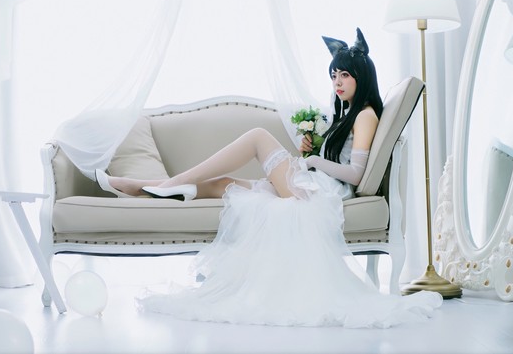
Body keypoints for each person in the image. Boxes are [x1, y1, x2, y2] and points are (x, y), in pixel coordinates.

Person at [96, 28, 443, 328]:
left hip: (321, 193)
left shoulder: (365, 115)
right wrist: (314, 152)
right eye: (333, 76)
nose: (337, 82)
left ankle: (168, 183)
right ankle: (145, 189)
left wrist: (313, 162)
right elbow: (340, 160)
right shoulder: (348, 114)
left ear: (361, 77)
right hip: (313, 184)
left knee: (258, 137)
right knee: (223, 185)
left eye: (344, 76)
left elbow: (356, 174)